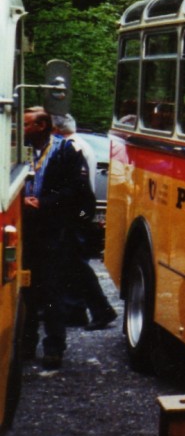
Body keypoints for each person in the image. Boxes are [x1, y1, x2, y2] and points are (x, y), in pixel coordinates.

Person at [21, 107, 97, 369]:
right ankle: (26, 344)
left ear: (42, 126)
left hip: (53, 230)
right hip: (25, 228)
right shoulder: (20, 150)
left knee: (52, 290)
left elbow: (75, 190)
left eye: (27, 124)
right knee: (26, 290)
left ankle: (54, 347)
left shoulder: (65, 151)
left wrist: (43, 203)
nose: (22, 129)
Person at [52, 113, 117, 332]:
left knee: (77, 264)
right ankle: (77, 310)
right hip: (79, 210)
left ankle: (102, 309)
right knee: (72, 263)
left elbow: (77, 185)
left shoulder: (72, 146)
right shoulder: (80, 144)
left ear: (56, 129)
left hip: (75, 211)